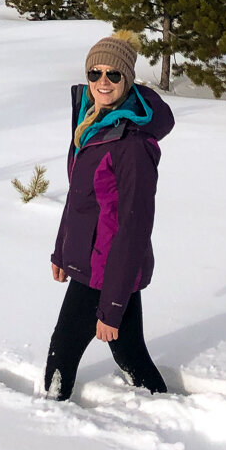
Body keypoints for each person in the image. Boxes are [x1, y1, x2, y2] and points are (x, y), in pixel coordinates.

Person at [44, 35, 174, 401]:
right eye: (95, 72)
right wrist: (61, 252)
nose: (103, 81)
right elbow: (81, 200)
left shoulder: (132, 145)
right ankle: (161, 404)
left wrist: (112, 305)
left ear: (128, 80)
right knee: (129, 351)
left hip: (106, 269)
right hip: (92, 260)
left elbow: (133, 228)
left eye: (114, 74)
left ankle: (46, 420)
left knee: (63, 351)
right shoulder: (95, 122)